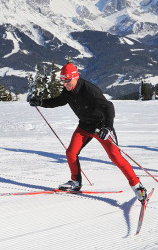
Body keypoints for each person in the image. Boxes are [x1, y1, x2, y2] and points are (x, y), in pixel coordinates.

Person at [29, 63, 147, 201]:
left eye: (67, 80)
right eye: (62, 81)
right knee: (71, 152)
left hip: (101, 127)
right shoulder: (68, 91)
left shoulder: (89, 90)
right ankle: (75, 182)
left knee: (116, 157)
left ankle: (137, 186)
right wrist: (41, 102)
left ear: (75, 77)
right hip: (84, 126)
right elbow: (59, 101)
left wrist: (108, 127)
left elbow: (108, 107)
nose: (65, 84)